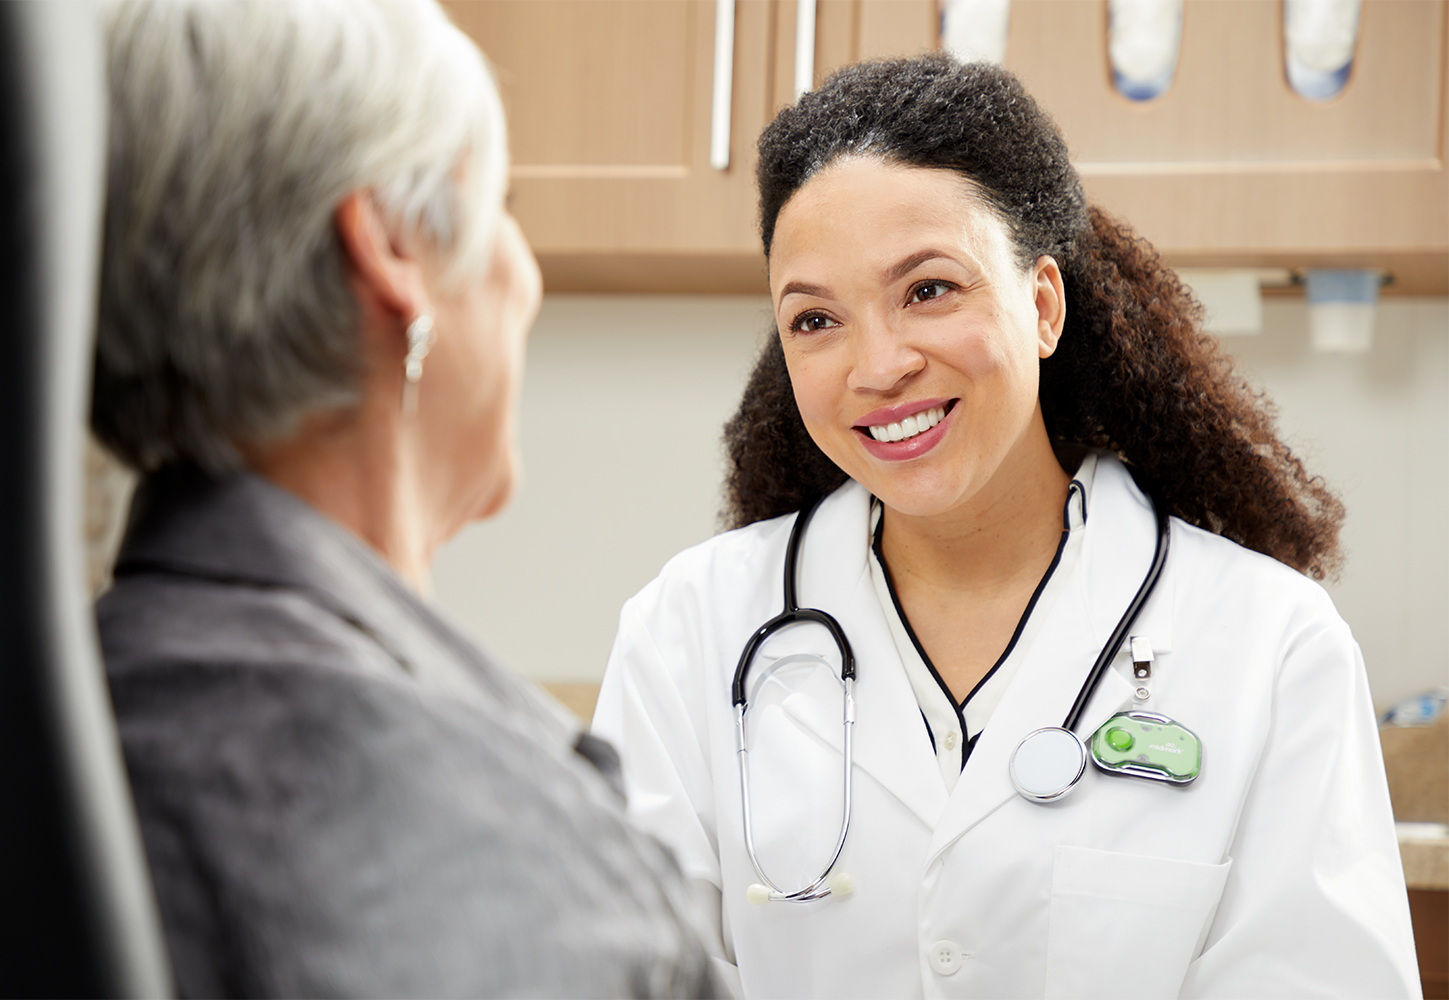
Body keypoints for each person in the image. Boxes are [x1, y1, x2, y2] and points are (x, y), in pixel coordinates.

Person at [591, 54, 1420, 999]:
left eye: (928, 290)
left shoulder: (1272, 644)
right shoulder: (687, 631)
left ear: (1042, 304)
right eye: (815, 319)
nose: (877, 365)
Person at [93, 1, 720, 995]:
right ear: (393, 247)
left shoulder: (62, 712)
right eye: (502, 204)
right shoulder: (496, 833)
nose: (527, 277)